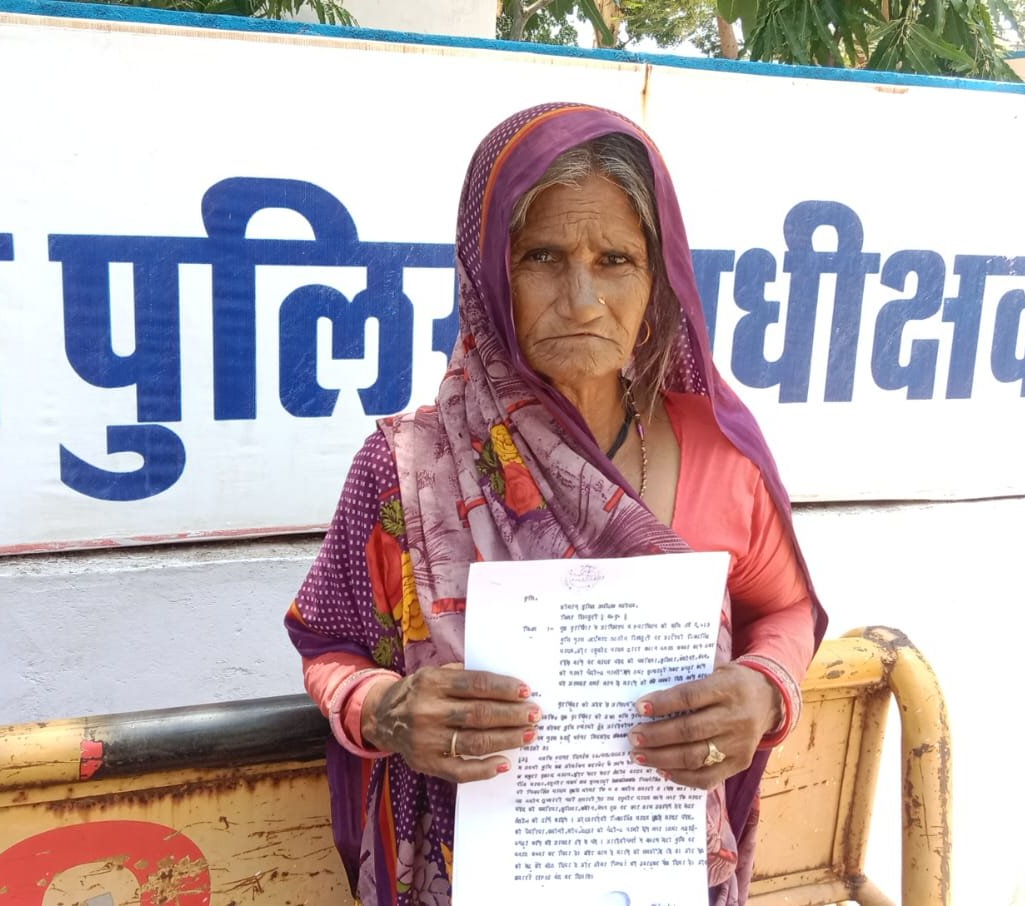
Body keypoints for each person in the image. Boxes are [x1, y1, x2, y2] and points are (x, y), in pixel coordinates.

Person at [286, 102, 825, 906]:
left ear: (658, 281)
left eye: (615, 259)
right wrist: (385, 710)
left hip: (657, 869)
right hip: (462, 872)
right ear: (486, 273)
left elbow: (785, 610)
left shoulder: (720, 457)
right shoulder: (408, 467)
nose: (580, 300)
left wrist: (765, 691)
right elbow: (326, 644)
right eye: (541, 256)